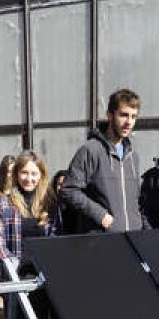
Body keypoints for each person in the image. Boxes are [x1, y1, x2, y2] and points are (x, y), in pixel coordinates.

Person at [0, 150, 61, 319]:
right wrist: (11, 268)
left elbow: (55, 237)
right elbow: (1, 240)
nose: (29, 178)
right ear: (17, 174)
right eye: (24, 173)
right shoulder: (6, 202)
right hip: (18, 276)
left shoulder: (50, 202)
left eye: (34, 173)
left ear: (41, 175)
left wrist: (48, 266)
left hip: (42, 275)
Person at [61, 88, 144, 233]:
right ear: (109, 115)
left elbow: (135, 201)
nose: (129, 122)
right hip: (102, 240)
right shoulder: (90, 150)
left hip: (132, 238)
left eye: (133, 117)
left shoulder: (133, 157)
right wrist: (101, 216)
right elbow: (69, 190)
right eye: (124, 115)